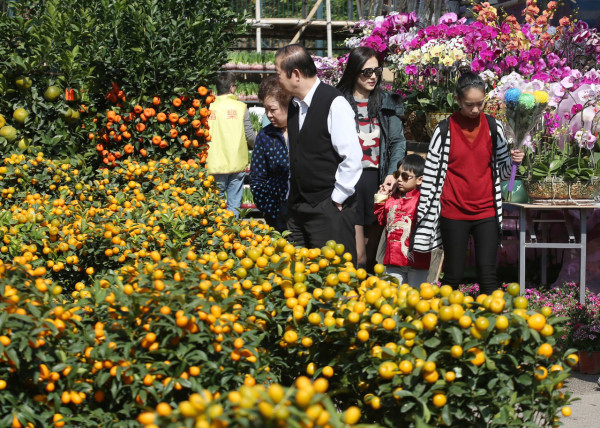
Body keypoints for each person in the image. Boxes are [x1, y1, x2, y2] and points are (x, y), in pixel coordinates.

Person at [412, 72, 525, 295]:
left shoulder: (494, 128)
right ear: (457, 100)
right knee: (453, 274)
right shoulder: (444, 130)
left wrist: (515, 162)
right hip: (453, 211)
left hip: (487, 211)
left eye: (480, 104)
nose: (475, 110)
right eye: (469, 104)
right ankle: (442, 324)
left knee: (488, 277)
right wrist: (425, 212)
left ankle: (491, 327)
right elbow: (432, 176)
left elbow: (504, 175)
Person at [275, 44, 363, 259]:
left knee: (335, 278)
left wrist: (336, 199)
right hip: (299, 208)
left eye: (278, 74)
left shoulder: (334, 103)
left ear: (295, 74)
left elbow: (352, 157)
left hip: (328, 209)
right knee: (301, 276)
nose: (277, 80)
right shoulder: (296, 105)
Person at [336, 46, 406, 271]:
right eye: (367, 72)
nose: (373, 76)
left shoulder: (386, 103)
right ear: (354, 72)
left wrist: (392, 174)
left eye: (377, 71)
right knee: (358, 256)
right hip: (350, 183)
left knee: (373, 254)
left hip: (379, 182)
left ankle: (367, 299)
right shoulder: (339, 103)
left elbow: (397, 142)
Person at [375, 154, 430, 286]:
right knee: (392, 298)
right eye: (397, 174)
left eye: (405, 176)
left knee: (417, 298)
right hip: (393, 260)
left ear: (419, 180)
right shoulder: (392, 200)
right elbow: (382, 220)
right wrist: (381, 198)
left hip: (417, 261)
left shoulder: (423, 201)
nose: (399, 179)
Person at [206, 72, 256, 217]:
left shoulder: (208, 107)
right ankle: (232, 231)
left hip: (215, 161)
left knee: (216, 200)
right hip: (236, 160)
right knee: (234, 202)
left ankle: (216, 232)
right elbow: (249, 135)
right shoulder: (241, 107)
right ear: (232, 88)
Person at [249, 76, 291, 232]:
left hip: (304, 211)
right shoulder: (265, 135)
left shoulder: (304, 131)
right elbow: (257, 177)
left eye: (272, 109)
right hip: (276, 211)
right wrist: (266, 207)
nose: (268, 115)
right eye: (265, 109)